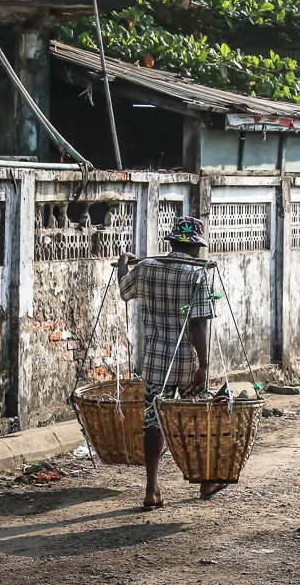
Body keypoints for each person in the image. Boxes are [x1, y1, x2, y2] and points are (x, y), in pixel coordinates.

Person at [117, 216, 221, 509]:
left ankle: (152, 488)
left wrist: (124, 260)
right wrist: (204, 364)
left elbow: (125, 290)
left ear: (172, 243)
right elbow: (198, 324)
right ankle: (205, 480)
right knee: (197, 418)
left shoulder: (146, 268)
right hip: (188, 365)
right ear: (194, 248)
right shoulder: (196, 274)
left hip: (156, 363)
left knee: (153, 422)